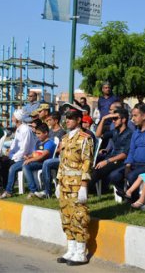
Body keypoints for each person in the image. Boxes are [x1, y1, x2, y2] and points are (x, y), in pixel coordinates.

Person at [55, 105, 93, 266]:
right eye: (66, 118)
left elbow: (87, 162)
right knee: (66, 216)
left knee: (79, 216)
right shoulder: (64, 138)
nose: (68, 120)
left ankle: (81, 251)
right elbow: (61, 162)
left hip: (77, 183)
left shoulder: (85, 138)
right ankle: (71, 248)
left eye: (71, 118)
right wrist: (58, 181)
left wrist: (84, 185)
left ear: (79, 120)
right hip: (64, 182)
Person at [90, 108, 132, 194]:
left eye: (115, 118)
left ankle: (86, 190)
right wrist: (104, 119)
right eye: (112, 119)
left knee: (98, 170)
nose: (113, 121)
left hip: (121, 161)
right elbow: (98, 135)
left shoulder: (130, 133)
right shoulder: (115, 131)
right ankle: (93, 189)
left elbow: (125, 154)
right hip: (112, 158)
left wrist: (107, 161)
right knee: (93, 166)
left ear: (123, 120)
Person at [0, 109, 37, 198]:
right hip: (17, 156)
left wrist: (12, 156)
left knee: (12, 168)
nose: (12, 118)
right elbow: (14, 145)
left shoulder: (25, 130)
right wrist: (9, 153)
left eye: (13, 116)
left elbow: (25, 148)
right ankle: (3, 187)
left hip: (25, 157)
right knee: (0, 162)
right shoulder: (19, 129)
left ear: (18, 119)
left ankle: (9, 191)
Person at [22, 123, 57, 198]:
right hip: (37, 162)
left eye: (39, 133)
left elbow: (43, 155)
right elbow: (35, 153)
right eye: (36, 133)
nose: (37, 135)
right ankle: (34, 190)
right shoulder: (38, 142)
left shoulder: (49, 143)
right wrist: (28, 157)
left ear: (46, 133)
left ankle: (33, 190)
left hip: (45, 164)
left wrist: (31, 160)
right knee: (24, 165)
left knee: (26, 166)